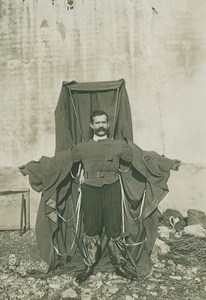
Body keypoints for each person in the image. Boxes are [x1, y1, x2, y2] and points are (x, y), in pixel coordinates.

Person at [19, 110, 181, 284]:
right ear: (91, 125)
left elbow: (143, 157)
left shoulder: (119, 146)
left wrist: (168, 163)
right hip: (90, 190)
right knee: (91, 228)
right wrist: (32, 168)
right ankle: (89, 266)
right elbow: (58, 162)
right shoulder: (82, 148)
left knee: (114, 228)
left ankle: (119, 266)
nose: (101, 126)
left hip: (112, 189)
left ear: (108, 124)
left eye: (104, 122)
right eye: (97, 123)